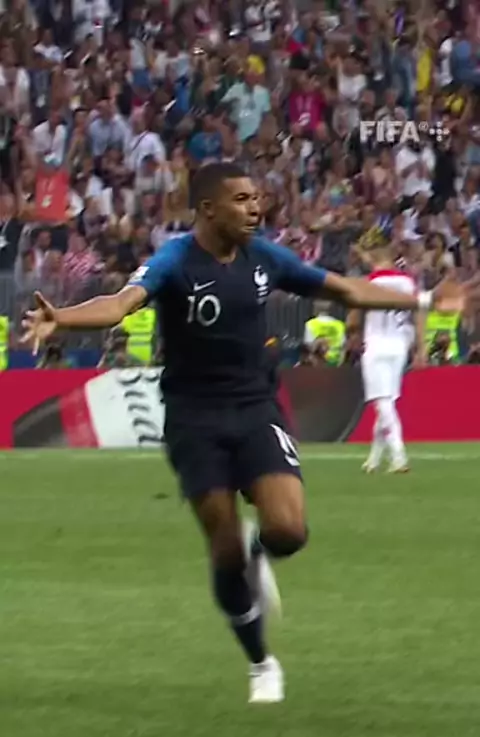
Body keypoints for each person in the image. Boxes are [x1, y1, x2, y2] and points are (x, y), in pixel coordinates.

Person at [21, 163, 462, 704]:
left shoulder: (265, 257)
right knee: (224, 548)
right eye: (242, 200)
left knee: (289, 530)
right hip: (194, 417)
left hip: (256, 407)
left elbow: (346, 289)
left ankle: (262, 551)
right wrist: (62, 318)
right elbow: (119, 305)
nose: (255, 208)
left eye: (256, 198)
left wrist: (423, 301)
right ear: (208, 210)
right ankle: (260, 661)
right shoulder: (175, 260)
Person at [348, 245, 425, 473]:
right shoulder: (408, 283)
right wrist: (421, 348)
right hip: (399, 345)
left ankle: (399, 456)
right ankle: (373, 460)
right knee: (387, 401)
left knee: (382, 403)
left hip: (376, 344)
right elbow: (419, 314)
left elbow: (353, 319)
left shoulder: (368, 283)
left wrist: (352, 333)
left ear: (372, 259)